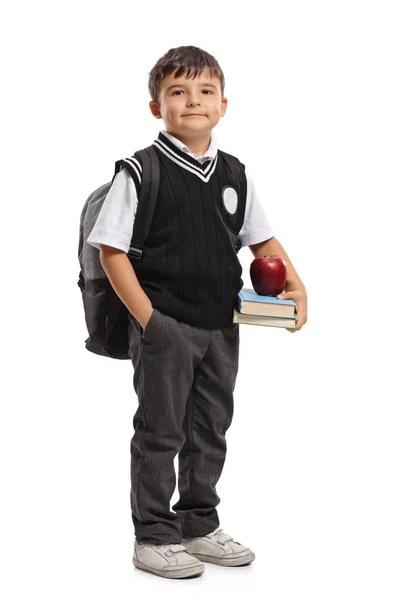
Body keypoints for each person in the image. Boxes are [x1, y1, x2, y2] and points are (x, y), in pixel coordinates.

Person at [87, 45, 308, 579]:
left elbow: (263, 241)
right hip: (165, 325)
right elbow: (110, 251)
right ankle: (154, 535)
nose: (193, 101)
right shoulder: (140, 171)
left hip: (222, 325)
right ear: (155, 107)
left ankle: (199, 525)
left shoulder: (235, 174)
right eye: (178, 92)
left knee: (210, 427)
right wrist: (150, 321)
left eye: (205, 91)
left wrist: (297, 287)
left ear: (224, 105)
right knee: (161, 431)